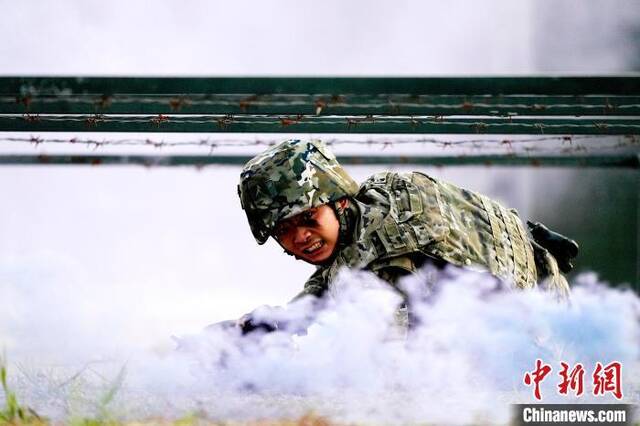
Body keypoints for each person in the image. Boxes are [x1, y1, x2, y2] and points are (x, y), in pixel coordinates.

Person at [235, 139, 577, 333]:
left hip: (534, 340)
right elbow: (328, 282)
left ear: (338, 201)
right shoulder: (383, 193)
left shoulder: (384, 264)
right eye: (283, 230)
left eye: (308, 218)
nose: (301, 237)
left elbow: (390, 365)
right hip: (542, 285)